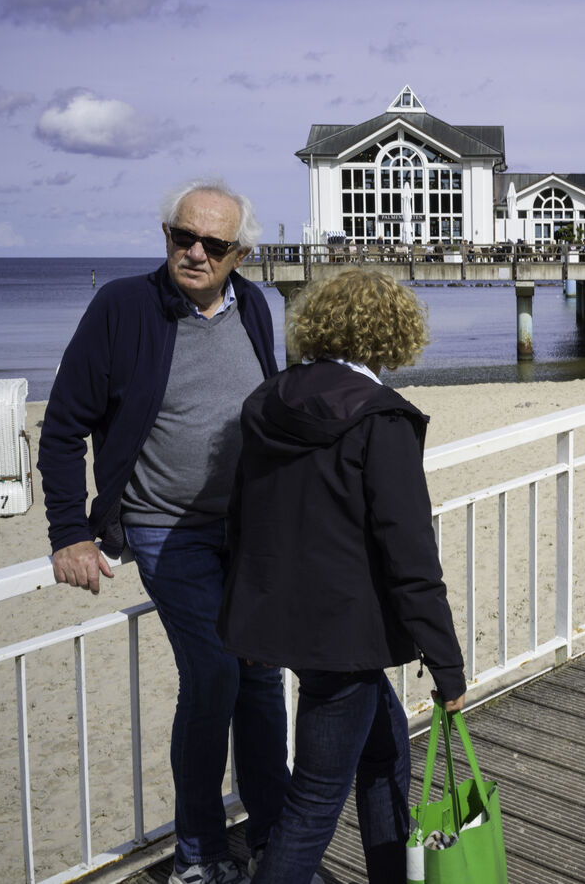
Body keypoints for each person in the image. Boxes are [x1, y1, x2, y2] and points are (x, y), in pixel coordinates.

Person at [38, 179, 289, 884]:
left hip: (249, 529)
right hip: (163, 528)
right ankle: (199, 855)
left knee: (262, 676)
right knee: (213, 674)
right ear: (166, 237)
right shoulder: (123, 307)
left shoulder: (255, 306)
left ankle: (272, 839)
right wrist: (69, 531)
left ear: (240, 254)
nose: (196, 252)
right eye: (184, 236)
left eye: (214, 243)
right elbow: (62, 427)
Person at [218, 268, 467, 884]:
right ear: (394, 334)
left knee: (386, 752)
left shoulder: (268, 401)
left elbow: (244, 520)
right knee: (312, 804)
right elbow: (410, 553)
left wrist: (246, 623)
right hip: (344, 636)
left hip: (288, 624)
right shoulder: (381, 418)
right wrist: (446, 664)